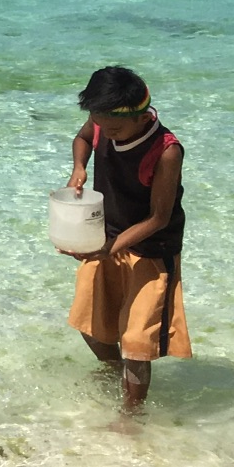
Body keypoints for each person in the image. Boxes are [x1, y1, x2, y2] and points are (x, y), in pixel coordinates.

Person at [61, 65, 191, 412]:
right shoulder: (104, 123)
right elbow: (84, 137)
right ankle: (115, 373)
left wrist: (108, 249)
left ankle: (132, 414)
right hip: (109, 236)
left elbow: (158, 218)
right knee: (90, 324)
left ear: (141, 116)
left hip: (151, 248)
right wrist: (79, 167)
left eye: (115, 129)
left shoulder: (166, 151)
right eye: (101, 124)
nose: (107, 132)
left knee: (136, 339)